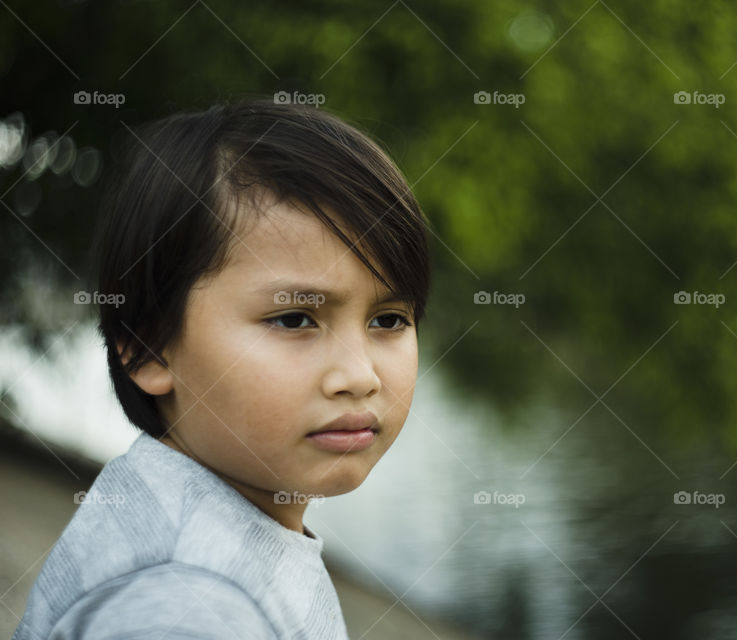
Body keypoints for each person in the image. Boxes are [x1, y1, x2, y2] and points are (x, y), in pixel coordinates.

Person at [12, 98, 431, 639]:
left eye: (389, 319)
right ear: (147, 349)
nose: (360, 376)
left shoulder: (213, 530)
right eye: (295, 318)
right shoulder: (183, 604)